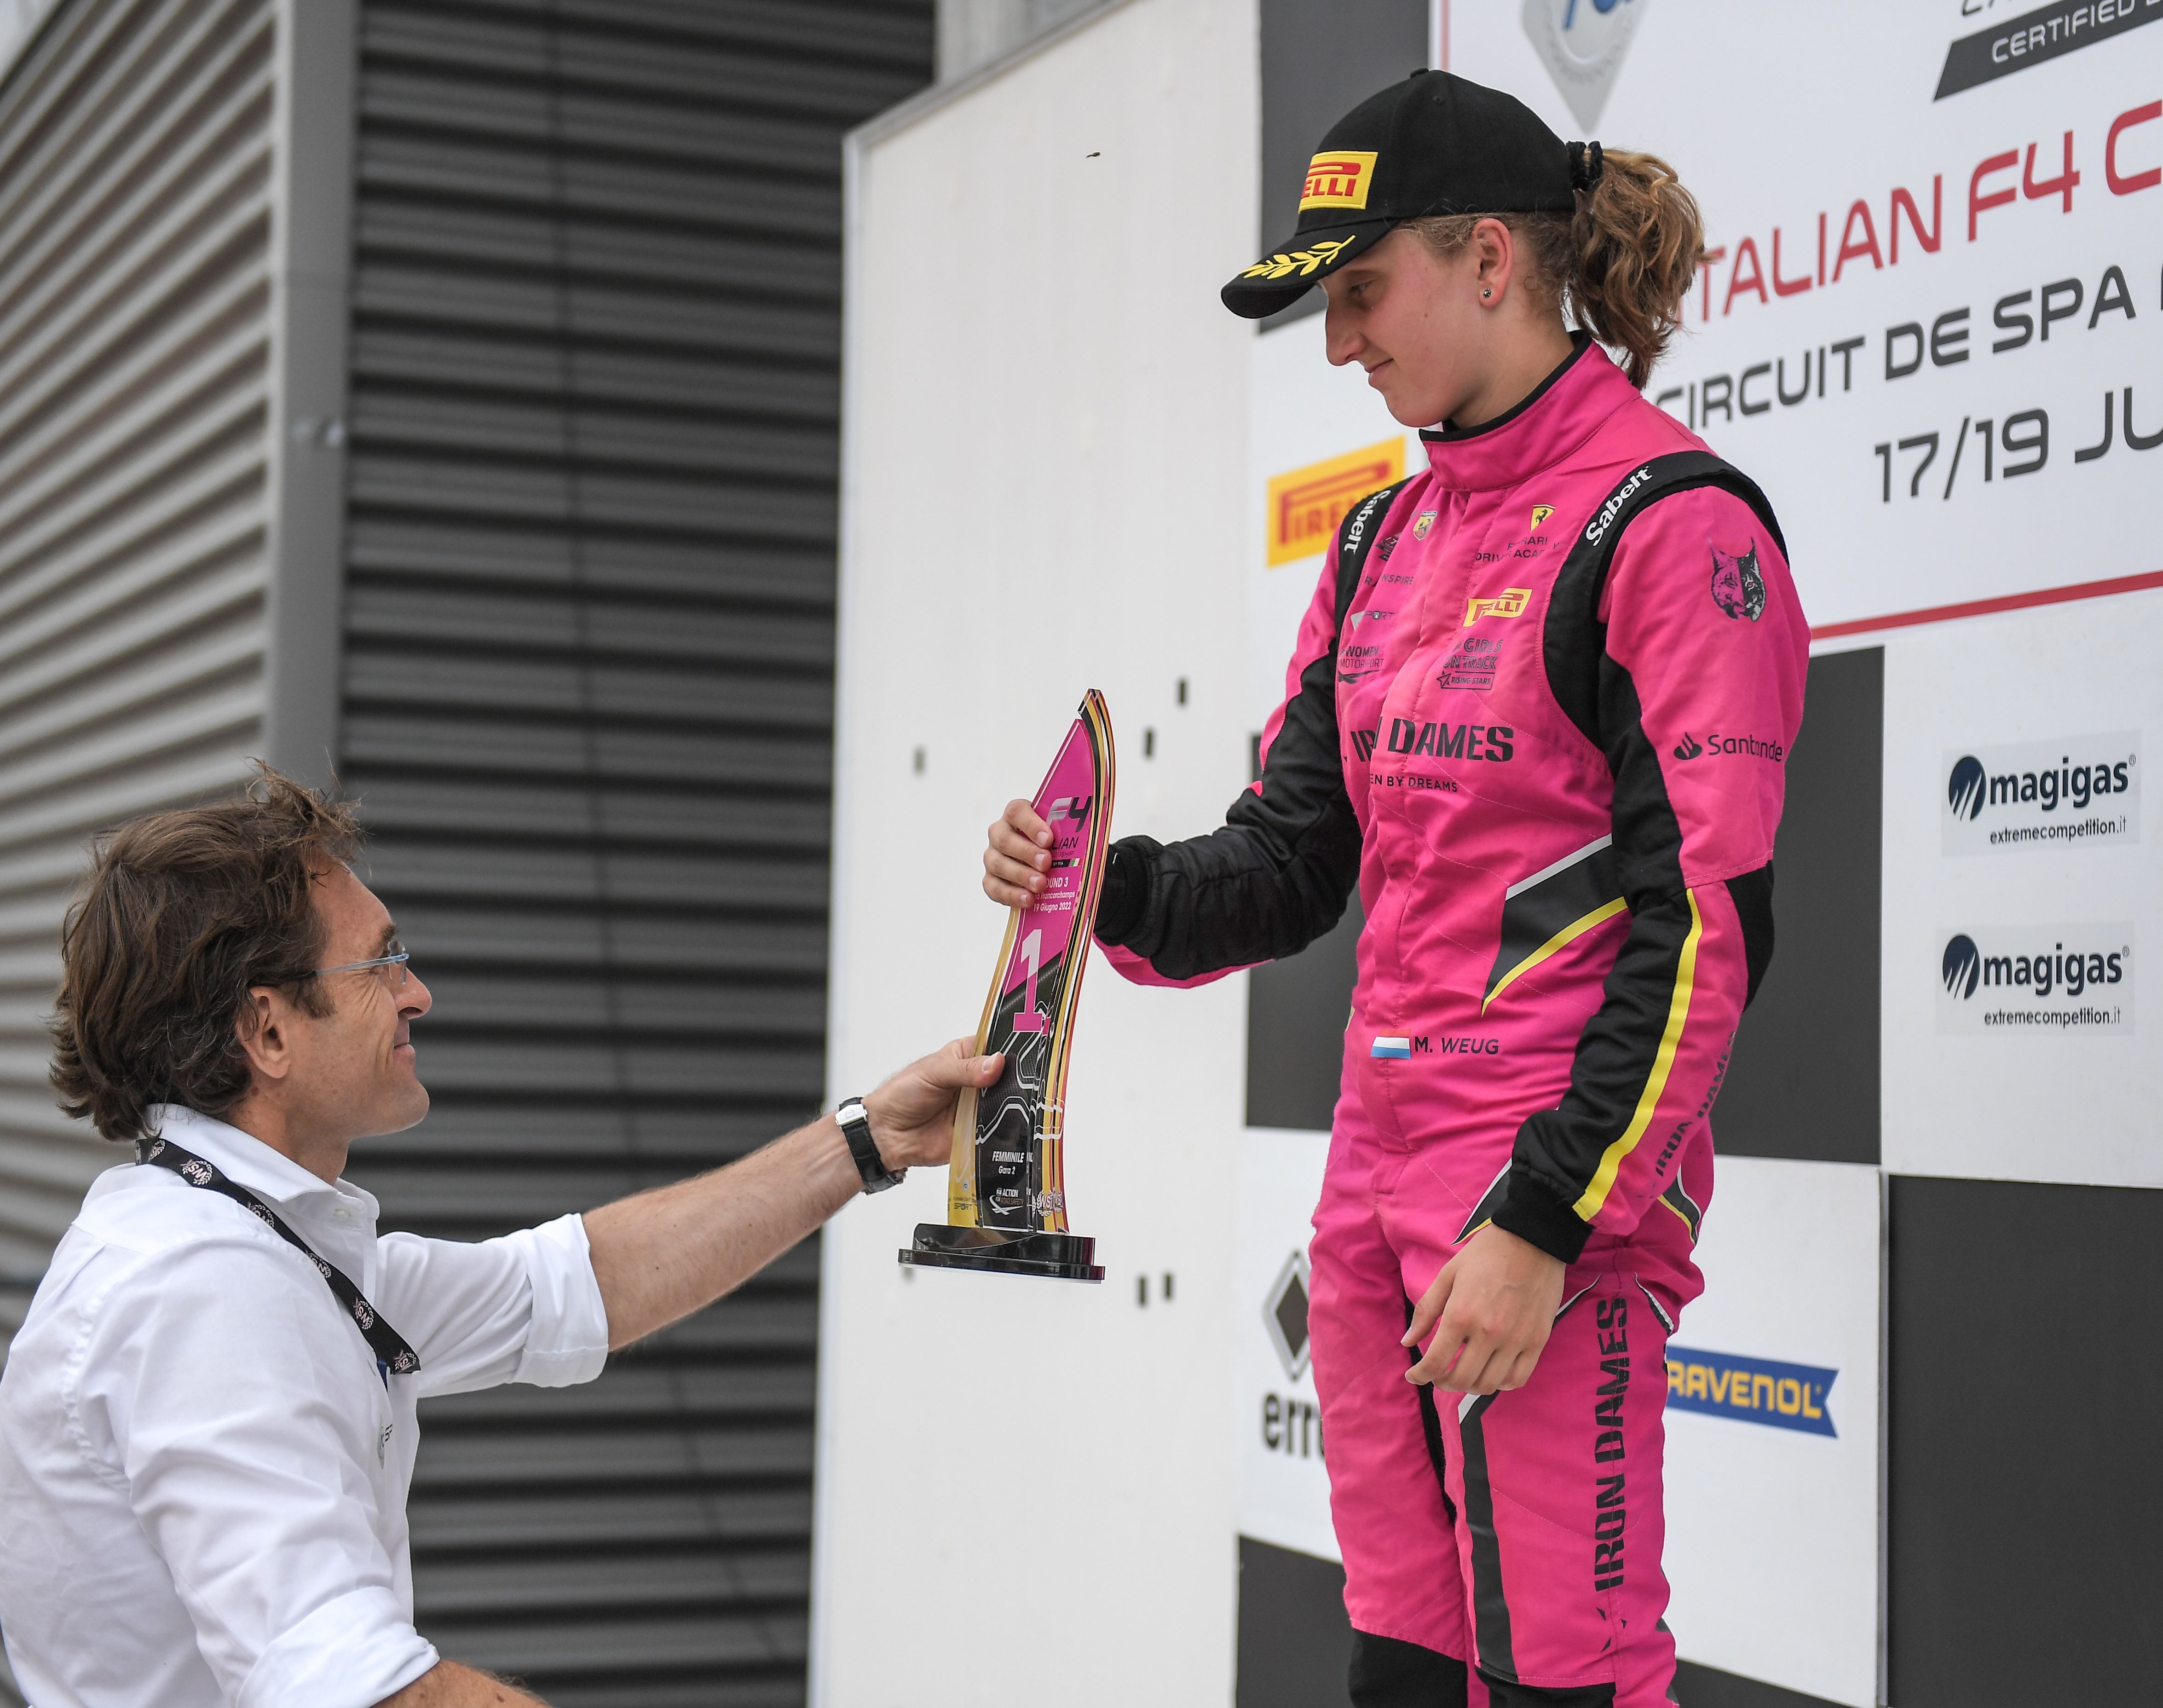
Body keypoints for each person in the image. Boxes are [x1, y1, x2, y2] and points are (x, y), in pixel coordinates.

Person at [987, 70, 1808, 1707]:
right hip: (1371, 1202)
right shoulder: (1377, 542)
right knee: (1400, 1670)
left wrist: (1543, 1221)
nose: (1338, 344)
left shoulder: (1668, 522)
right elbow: (1293, 858)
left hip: (1541, 1211)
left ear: (1487, 260)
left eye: (1359, 294)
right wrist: (1106, 891)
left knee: (1566, 1677)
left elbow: (1702, 929)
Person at [0, 768, 999, 1707]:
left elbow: (579, 1281)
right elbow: (358, 1687)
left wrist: (865, 1141)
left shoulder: (252, 1237)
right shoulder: (204, 1289)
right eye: (382, 959)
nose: (418, 990)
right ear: (267, 1031)